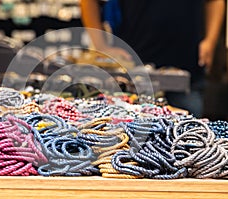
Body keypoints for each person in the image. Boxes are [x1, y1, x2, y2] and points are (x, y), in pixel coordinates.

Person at [80, 0, 225, 117]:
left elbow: (215, 1)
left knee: (191, 139)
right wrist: (101, 46)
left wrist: (210, 41)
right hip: (133, 73)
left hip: (187, 69)